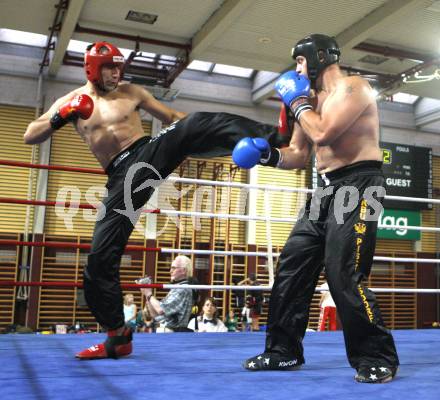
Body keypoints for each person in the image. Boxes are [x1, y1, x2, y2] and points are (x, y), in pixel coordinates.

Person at [23, 41, 285, 359]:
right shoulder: (72, 102)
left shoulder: (131, 92)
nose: (117, 73)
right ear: (91, 68)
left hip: (148, 152)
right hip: (122, 178)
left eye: (119, 67)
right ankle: (117, 337)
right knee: (99, 258)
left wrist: (196, 136)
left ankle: (277, 136)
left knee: (193, 122)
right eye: (110, 67)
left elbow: (173, 115)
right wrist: (61, 116)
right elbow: (30, 135)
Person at [233, 34, 399, 383]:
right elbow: (299, 153)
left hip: (361, 184)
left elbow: (323, 133)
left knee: (343, 274)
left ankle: (376, 356)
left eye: (299, 61)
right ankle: (282, 351)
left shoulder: (355, 88)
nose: (296, 69)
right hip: (325, 189)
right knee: (292, 265)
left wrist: (297, 103)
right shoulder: (308, 102)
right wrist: (266, 155)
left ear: (317, 57)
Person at [140, 255, 195, 333]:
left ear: (184, 271)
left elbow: (160, 310)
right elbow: (155, 315)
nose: (170, 271)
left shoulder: (183, 289)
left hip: (172, 333)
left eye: (173, 268)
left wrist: (149, 294)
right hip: (166, 331)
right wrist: (146, 293)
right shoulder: (177, 288)